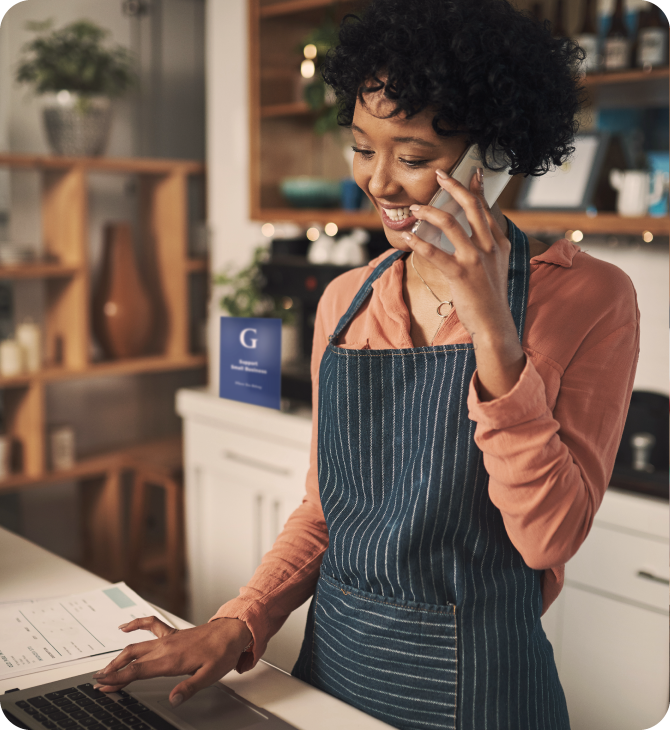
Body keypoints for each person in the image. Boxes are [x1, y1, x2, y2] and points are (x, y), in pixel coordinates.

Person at [90, 1, 640, 728]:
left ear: (497, 156)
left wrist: (495, 335)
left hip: (482, 694)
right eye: (360, 147)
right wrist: (243, 619)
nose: (377, 182)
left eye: (413, 158)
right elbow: (327, 514)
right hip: (332, 674)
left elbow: (550, 538)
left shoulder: (592, 296)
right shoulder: (349, 299)